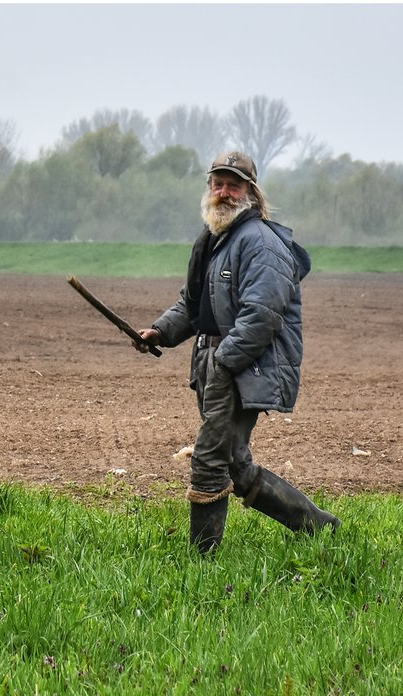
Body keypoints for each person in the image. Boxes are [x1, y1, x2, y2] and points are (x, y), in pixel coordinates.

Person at [135, 150, 340, 554]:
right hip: (216, 363)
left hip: (243, 367)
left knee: (208, 460)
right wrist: (159, 332)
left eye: (234, 185)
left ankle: (202, 563)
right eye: (218, 183)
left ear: (250, 192)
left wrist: (224, 362)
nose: (224, 192)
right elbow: (193, 306)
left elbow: (261, 317)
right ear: (209, 188)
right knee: (235, 465)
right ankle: (320, 528)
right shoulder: (214, 240)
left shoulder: (261, 244)